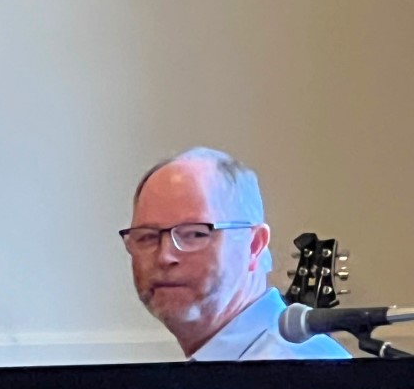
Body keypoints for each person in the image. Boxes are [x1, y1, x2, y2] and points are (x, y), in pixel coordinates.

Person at [119, 146, 350, 361]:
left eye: (195, 234)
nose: (164, 257)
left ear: (254, 245)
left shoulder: (298, 370)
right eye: (147, 237)